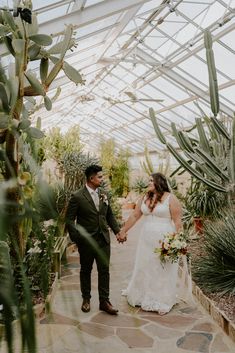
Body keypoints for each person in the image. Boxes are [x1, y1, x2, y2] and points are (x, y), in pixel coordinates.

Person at [119, 172, 184, 314]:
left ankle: (161, 299)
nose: (148, 183)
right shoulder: (144, 197)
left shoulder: (170, 199)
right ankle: (144, 295)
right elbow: (135, 215)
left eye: (150, 181)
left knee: (162, 268)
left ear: (158, 183)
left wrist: (178, 242)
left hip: (164, 239)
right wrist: (123, 230)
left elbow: (178, 222)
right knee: (145, 266)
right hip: (146, 239)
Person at [66, 164, 126, 315]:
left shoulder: (103, 194)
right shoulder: (77, 196)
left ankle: (104, 302)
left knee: (104, 270)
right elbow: (69, 220)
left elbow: (109, 215)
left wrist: (118, 231)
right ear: (91, 178)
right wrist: (77, 239)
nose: (102, 178)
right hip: (86, 241)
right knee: (86, 270)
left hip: (103, 240)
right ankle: (86, 299)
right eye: (99, 176)